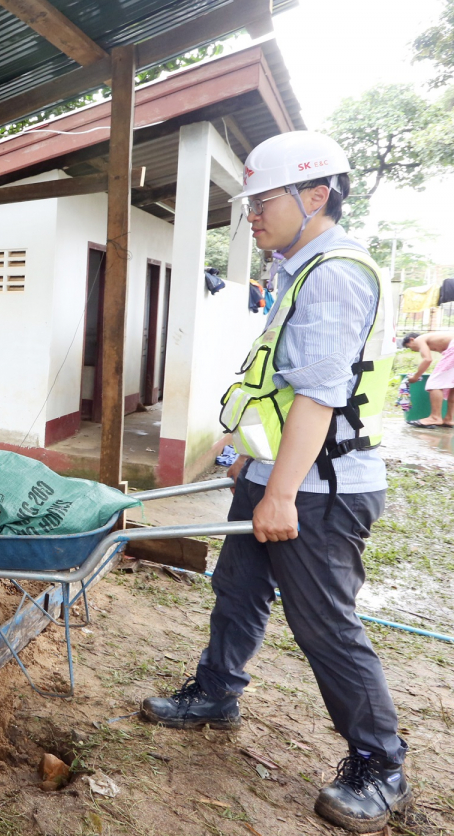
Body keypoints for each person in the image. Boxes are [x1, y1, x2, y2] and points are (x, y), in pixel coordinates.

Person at [143, 131, 410, 834]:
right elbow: (281, 385)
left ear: (314, 195)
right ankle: (216, 692)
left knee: (325, 626)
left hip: (320, 489)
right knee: (237, 588)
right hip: (278, 472)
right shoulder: (298, 266)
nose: (251, 215)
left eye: (262, 202)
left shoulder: (335, 273)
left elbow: (320, 397)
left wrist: (281, 493)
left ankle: (381, 766)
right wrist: (248, 455)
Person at [401, 331, 454, 428]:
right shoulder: (437, 340)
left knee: (435, 382)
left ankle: (435, 417)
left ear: (412, 340)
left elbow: (427, 359)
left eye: (409, 347)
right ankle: (449, 418)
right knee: (452, 384)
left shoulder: (419, 339)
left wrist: (415, 377)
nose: (413, 350)